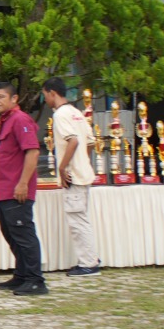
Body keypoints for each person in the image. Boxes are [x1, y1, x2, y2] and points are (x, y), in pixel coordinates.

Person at [0, 83, 46, 296]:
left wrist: (23, 183)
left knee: (24, 234)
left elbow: (32, 152)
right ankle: (22, 275)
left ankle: (35, 280)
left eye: (1, 96)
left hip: (16, 189)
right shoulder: (5, 121)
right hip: (3, 188)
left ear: (14, 99)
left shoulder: (20, 119)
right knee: (11, 234)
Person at [43, 79, 100, 277]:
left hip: (73, 176)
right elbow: (90, 142)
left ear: (52, 93)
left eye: (45, 95)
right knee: (81, 218)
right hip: (83, 172)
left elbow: (73, 141)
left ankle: (89, 263)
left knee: (77, 221)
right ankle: (89, 258)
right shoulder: (77, 113)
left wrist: (62, 166)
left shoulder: (60, 115)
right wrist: (85, 161)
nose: (46, 99)